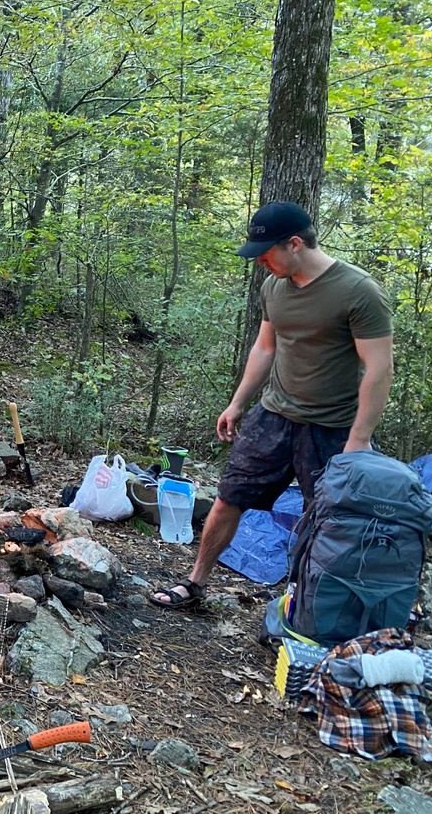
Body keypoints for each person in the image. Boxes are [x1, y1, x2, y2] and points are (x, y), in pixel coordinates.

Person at [152, 201, 393, 609]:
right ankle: (194, 583)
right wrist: (237, 403)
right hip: (274, 415)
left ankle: (304, 611)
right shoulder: (274, 288)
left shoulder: (358, 291)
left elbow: (379, 368)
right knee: (229, 497)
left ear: (294, 244)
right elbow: (265, 348)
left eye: (266, 254)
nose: (261, 262)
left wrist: (359, 438)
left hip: (332, 427)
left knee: (327, 520)